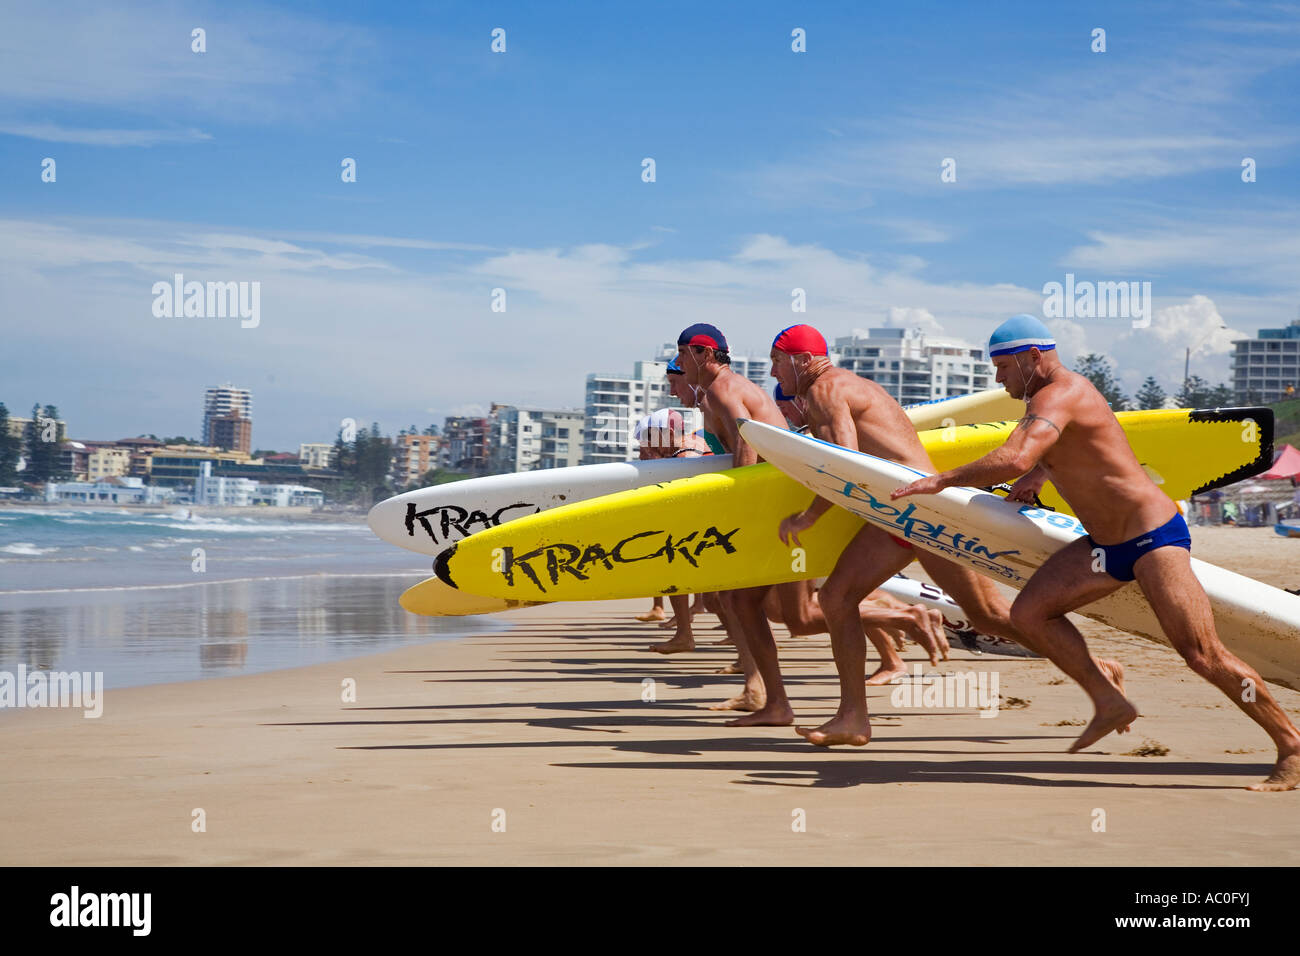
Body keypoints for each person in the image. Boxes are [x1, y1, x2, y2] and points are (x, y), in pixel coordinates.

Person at [893, 314, 1300, 790]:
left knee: (1201, 653)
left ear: (1032, 358)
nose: (998, 378)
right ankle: (1109, 700)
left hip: (1152, 538)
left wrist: (939, 480)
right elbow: (1072, 447)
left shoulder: (1059, 393)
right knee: (1030, 614)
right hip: (1106, 544)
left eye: (1003, 367)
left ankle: (1290, 745)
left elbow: (1015, 454)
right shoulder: (1051, 400)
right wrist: (1038, 477)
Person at [772, 322, 1127, 747]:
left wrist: (808, 517)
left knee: (842, 599)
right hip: (913, 513)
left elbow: (842, 461)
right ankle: (1099, 672)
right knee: (984, 616)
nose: (774, 373)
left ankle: (853, 717)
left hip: (911, 511)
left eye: (776, 362)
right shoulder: (846, 385)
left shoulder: (824, 391)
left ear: (802, 360)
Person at [677, 323, 948, 725]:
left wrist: (752, 512)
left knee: (799, 611)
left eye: (776, 363)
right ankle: (776, 700)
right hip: (815, 503)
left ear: (701, 353)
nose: (772, 374)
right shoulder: (725, 391)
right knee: (750, 603)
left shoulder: (729, 389)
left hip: (798, 505)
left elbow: (750, 441)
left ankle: (896, 630)